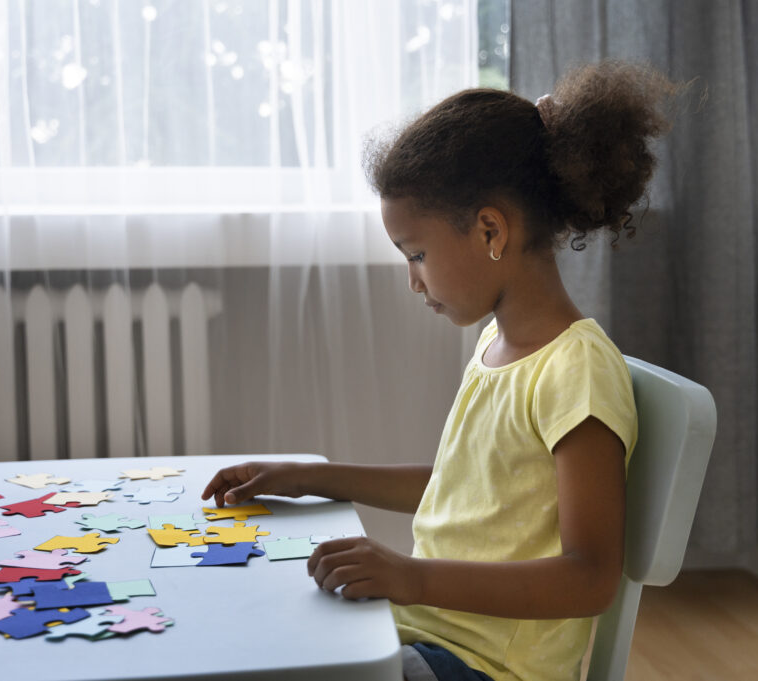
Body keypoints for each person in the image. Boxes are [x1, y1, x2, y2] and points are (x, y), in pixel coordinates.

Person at [202, 60, 675, 681]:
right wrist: (311, 477)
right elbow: (466, 489)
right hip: (424, 635)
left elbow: (589, 580)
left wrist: (413, 575)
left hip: (483, 668)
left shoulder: (577, 371)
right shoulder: (496, 346)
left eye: (417, 254)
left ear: (489, 230)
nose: (413, 280)